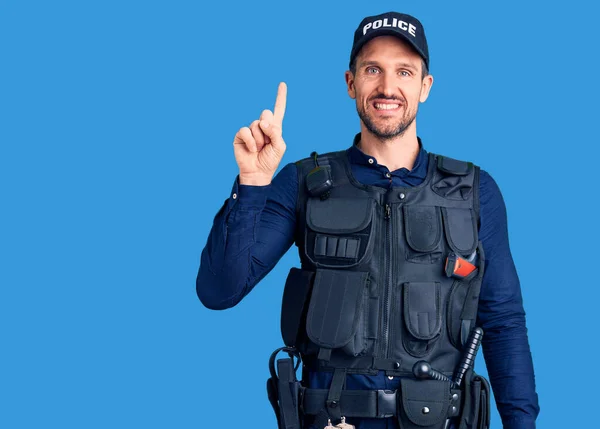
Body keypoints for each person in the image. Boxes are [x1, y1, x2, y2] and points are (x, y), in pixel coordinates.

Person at [196, 11, 540, 429]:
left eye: (404, 72)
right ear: (350, 82)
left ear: (425, 87)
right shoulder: (303, 182)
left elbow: (503, 321)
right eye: (372, 69)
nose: (387, 87)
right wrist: (252, 184)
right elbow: (219, 290)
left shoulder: (475, 191)